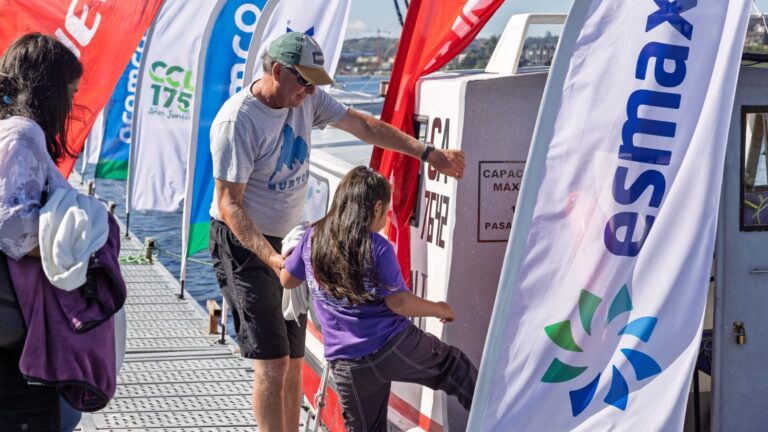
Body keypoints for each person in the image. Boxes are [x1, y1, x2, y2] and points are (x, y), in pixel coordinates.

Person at [209, 32, 465, 431]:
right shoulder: (237, 120)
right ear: (277, 71)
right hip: (245, 243)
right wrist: (272, 257)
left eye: (315, 83)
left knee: (295, 358)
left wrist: (427, 152)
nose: (311, 91)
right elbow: (229, 205)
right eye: (304, 81)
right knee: (272, 361)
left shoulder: (307, 99)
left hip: (287, 241)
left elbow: (363, 126)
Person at [280, 166, 477, 432]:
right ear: (376, 208)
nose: (386, 218)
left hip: (348, 366)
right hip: (392, 347)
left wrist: (293, 253)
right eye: (386, 211)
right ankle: (506, 422)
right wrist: (438, 308)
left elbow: (287, 280)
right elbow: (398, 302)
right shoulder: (378, 247)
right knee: (454, 368)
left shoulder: (313, 238)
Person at [0, 33, 84, 431]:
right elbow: (11, 226)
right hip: (17, 327)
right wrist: (80, 230)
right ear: (48, 90)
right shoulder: (23, 134)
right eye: (70, 93)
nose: (71, 105)